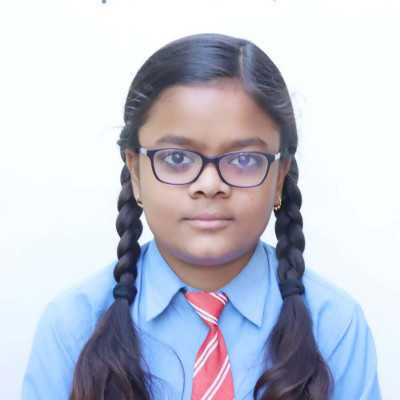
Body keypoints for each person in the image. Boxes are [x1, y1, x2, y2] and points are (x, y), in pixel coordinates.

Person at [22, 33, 381, 400]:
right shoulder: (72, 327)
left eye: (244, 159)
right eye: (177, 158)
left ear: (279, 177)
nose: (210, 185)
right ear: (135, 172)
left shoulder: (335, 327)